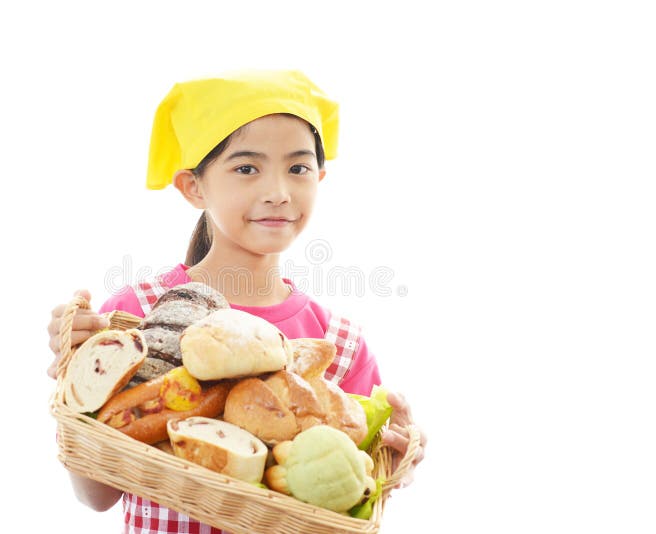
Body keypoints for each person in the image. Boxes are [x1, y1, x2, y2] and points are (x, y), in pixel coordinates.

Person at [46, 69, 427, 533]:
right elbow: (95, 496)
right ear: (193, 187)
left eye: (298, 168)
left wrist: (390, 456)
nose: (278, 192)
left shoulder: (339, 342)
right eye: (247, 168)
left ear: (320, 177)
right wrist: (79, 374)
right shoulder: (140, 315)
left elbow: (347, 506)